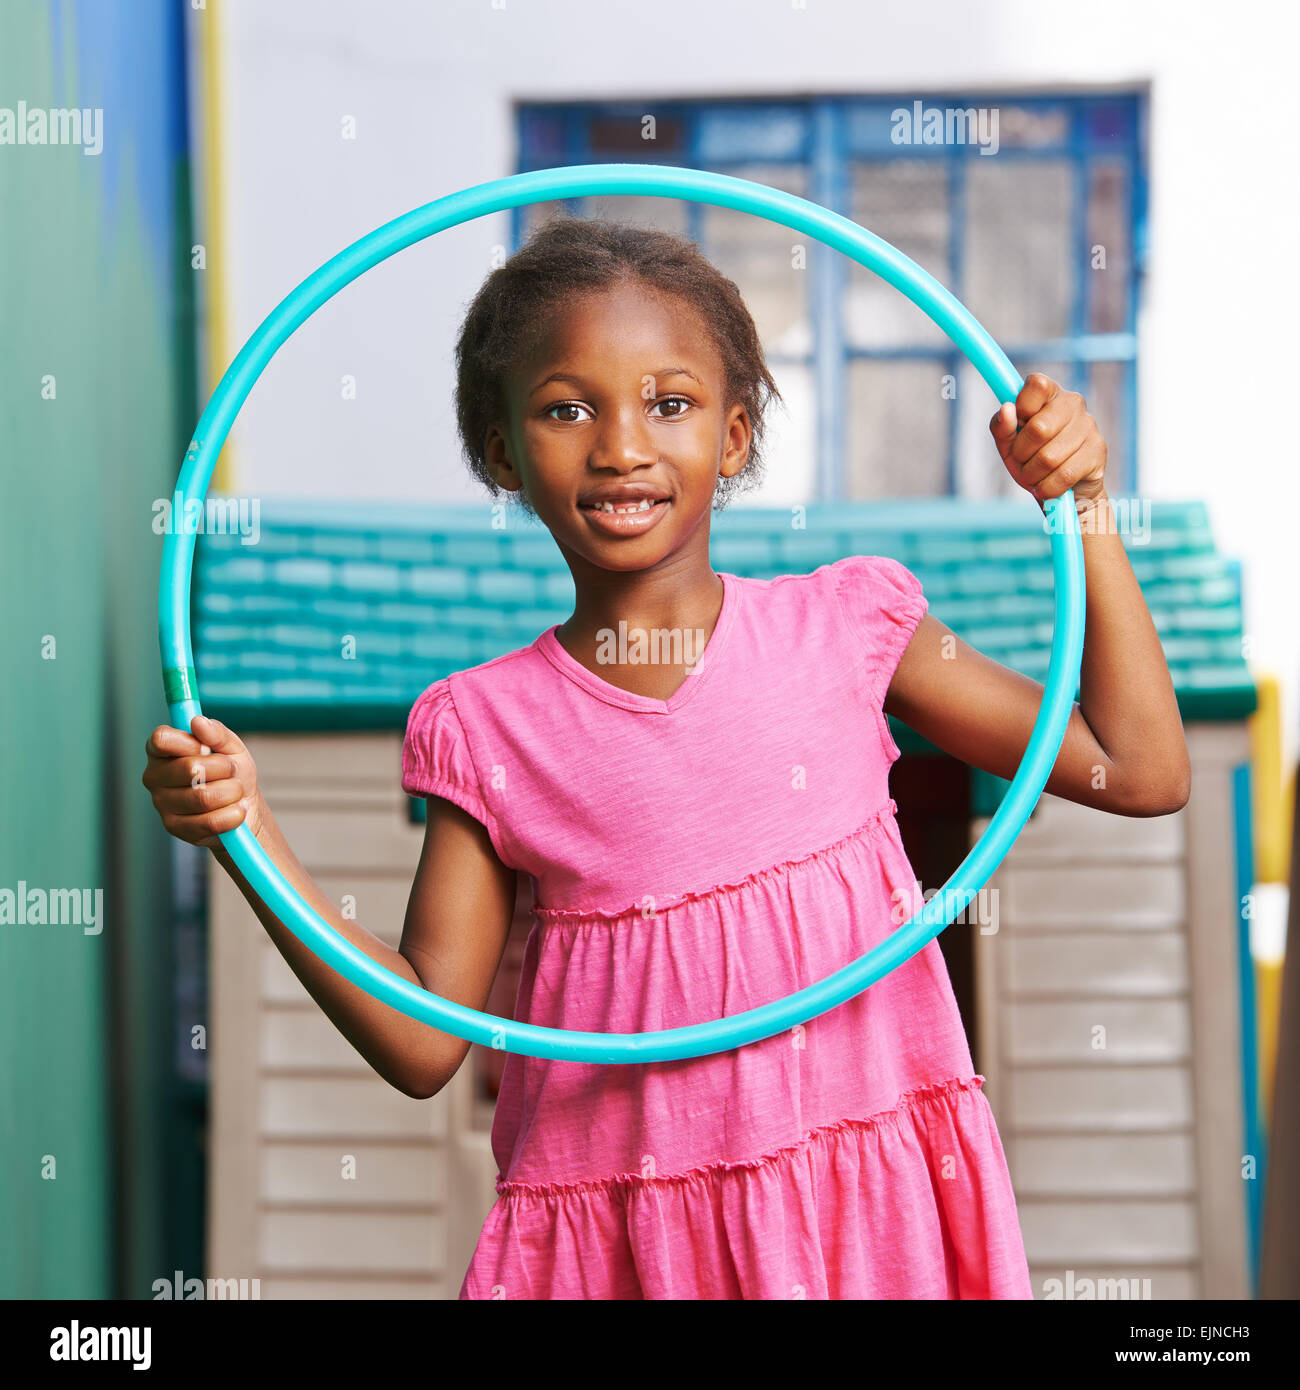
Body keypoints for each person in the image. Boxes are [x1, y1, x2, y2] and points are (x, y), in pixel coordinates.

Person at [143, 216, 1191, 1299]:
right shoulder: (486, 726)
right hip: (631, 1252)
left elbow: (1142, 767)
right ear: (502, 450)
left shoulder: (847, 627)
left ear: (734, 438)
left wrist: (1084, 507)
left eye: (671, 403)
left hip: (863, 1231)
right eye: (566, 408)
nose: (622, 447)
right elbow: (422, 1040)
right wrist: (248, 833)